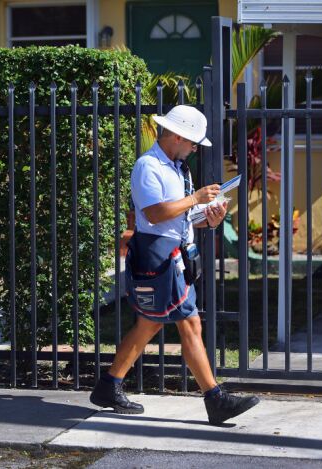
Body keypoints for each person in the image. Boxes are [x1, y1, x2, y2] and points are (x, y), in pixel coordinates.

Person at [89, 105, 259, 425]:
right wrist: (195, 199)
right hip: (158, 254)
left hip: (175, 253)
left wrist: (209, 218)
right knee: (188, 323)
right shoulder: (148, 166)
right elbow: (154, 213)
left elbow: (178, 216)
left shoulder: (179, 168)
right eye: (193, 143)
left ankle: (108, 385)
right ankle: (215, 399)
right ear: (177, 136)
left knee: (149, 324)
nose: (195, 149)